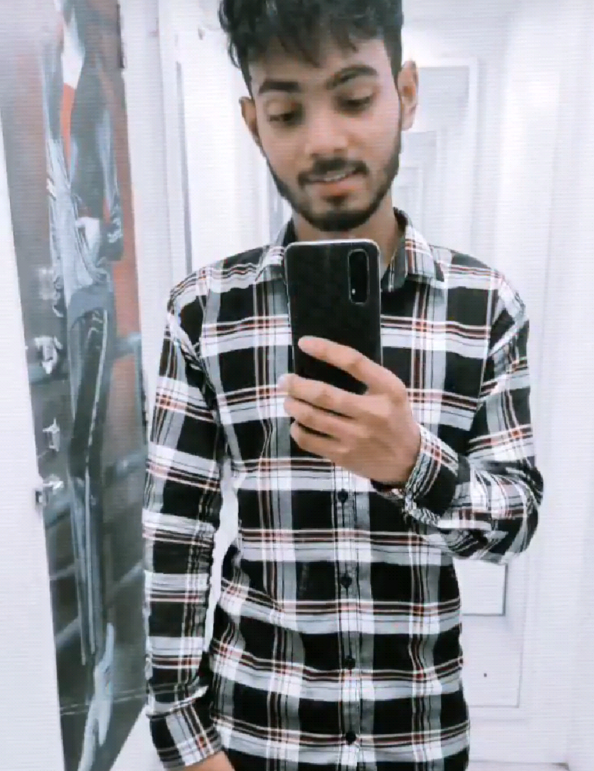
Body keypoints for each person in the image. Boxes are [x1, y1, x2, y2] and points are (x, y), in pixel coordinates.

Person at [142, 1, 544, 770]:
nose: (324, 140)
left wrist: (412, 463)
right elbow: (175, 535)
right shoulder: (205, 311)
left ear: (407, 93)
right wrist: (185, 741)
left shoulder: (484, 306)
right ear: (254, 124)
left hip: (417, 736)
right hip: (252, 735)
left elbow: (516, 519)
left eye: (354, 98)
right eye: (287, 112)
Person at [43, 0, 124, 767]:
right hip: (65, 302)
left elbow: (106, 218)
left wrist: (96, 237)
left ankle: (98, 656)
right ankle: (92, 654)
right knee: (74, 475)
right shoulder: (47, 77)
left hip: (88, 301)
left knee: (85, 471)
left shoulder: (91, 79)